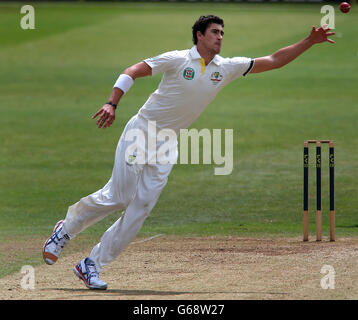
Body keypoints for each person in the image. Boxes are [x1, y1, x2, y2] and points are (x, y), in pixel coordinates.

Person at [42, 15, 335, 290]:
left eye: (222, 33)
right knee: (120, 196)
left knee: (140, 209)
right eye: (214, 32)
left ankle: (92, 264)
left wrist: (308, 41)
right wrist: (112, 103)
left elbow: (272, 61)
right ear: (199, 35)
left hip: (169, 143)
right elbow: (132, 71)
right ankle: (65, 230)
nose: (220, 37)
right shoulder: (177, 59)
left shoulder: (226, 67)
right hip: (141, 132)